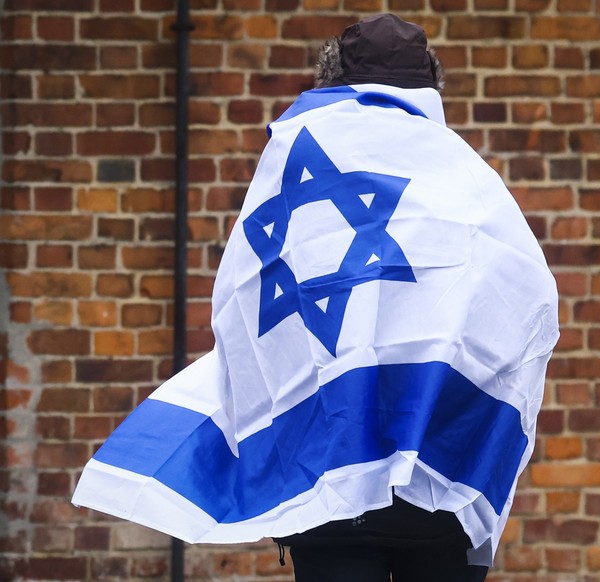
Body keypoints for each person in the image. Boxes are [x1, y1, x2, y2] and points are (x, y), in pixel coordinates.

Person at [73, 13, 558, 582]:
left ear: (331, 78)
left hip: (327, 480)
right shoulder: (465, 180)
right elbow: (528, 303)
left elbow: (242, 298)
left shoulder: (294, 159)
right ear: (430, 86)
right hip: (437, 483)